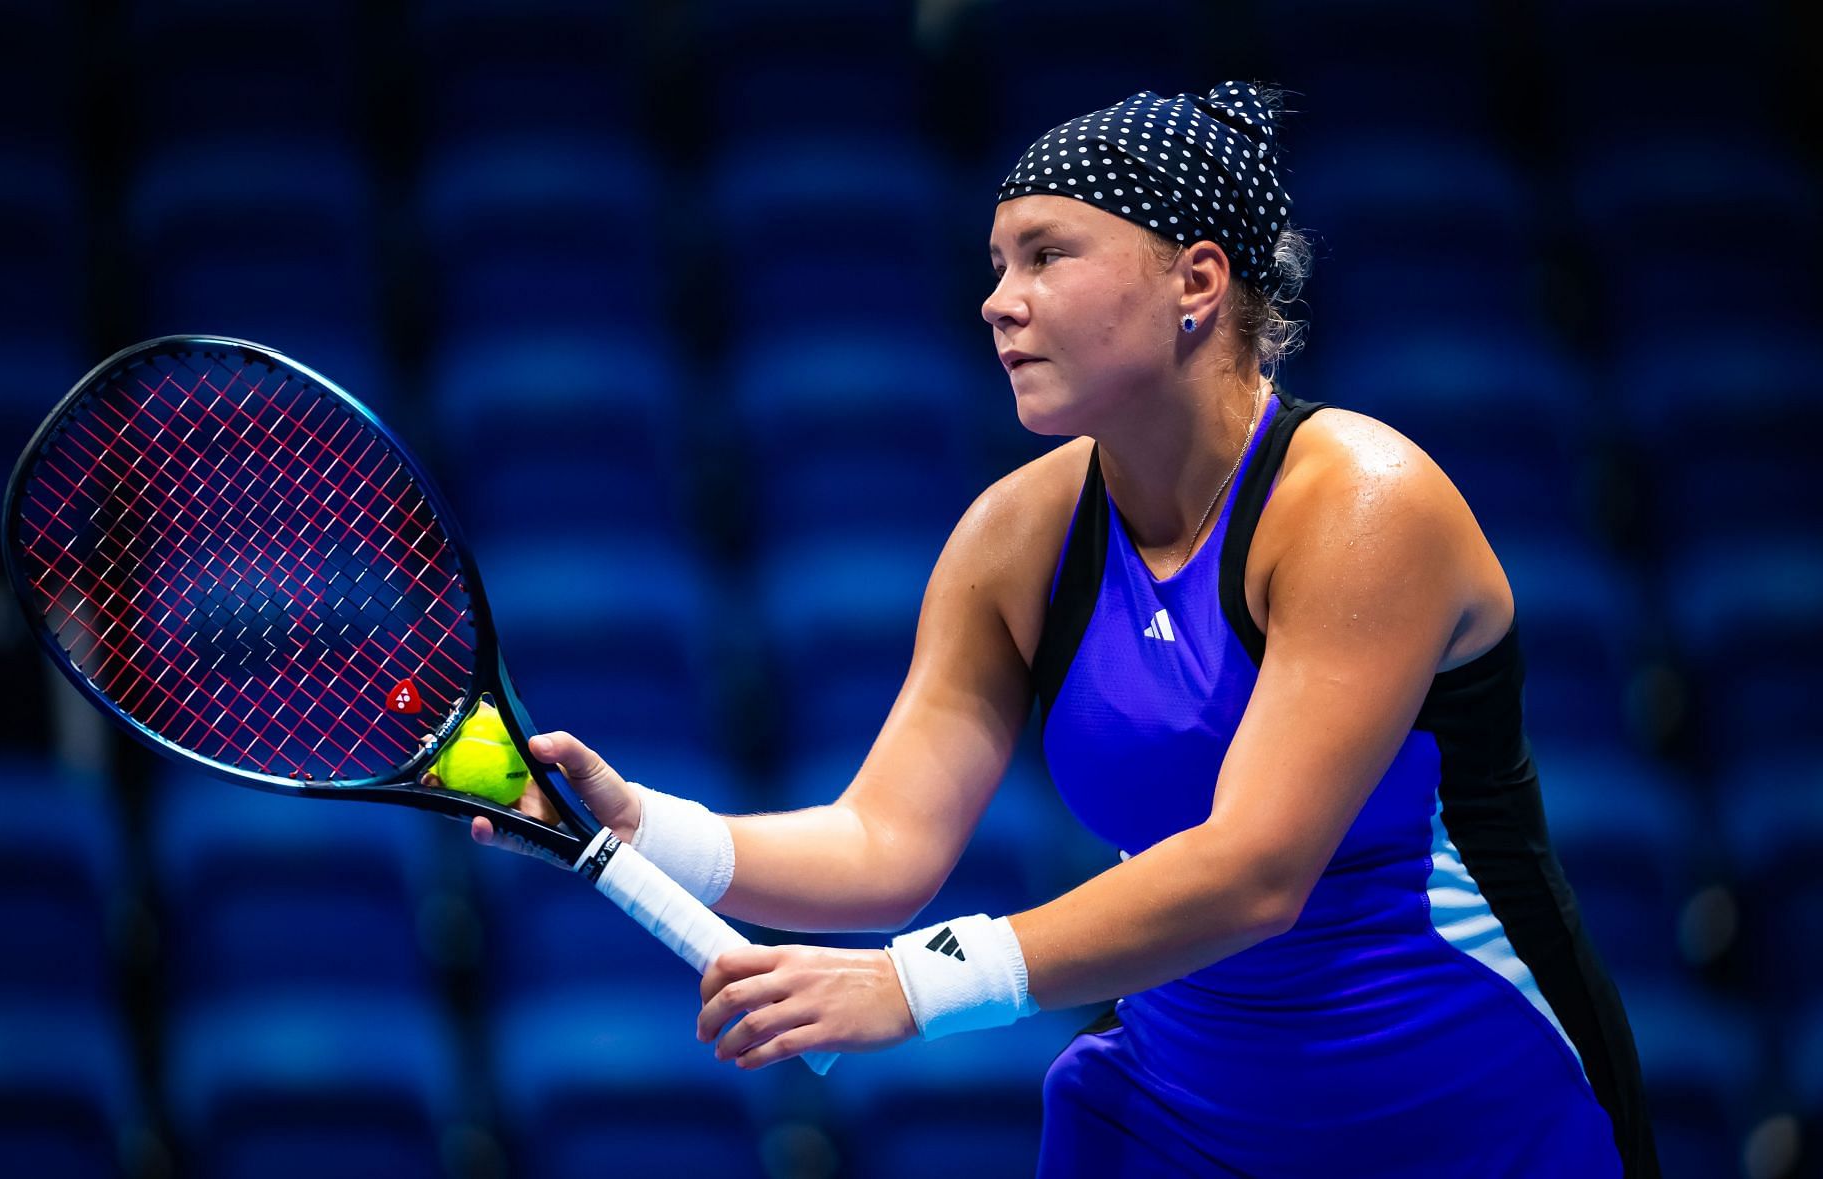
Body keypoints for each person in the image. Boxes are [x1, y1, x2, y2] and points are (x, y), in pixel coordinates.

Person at [467, 84, 1657, 1177]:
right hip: (1183, 1123)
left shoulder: (1361, 505)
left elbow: (1254, 872)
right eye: (995, 264)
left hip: (1476, 1115)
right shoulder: (1018, 537)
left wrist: (916, 984)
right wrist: (646, 826)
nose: (998, 301)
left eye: (1047, 256)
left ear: (1197, 282)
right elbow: (885, 841)